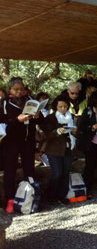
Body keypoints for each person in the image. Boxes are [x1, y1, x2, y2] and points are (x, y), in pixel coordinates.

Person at [0, 77, 43, 213]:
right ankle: (10, 200)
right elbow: (2, 123)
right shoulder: (4, 103)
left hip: (28, 141)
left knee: (29, 169)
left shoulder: (30, 100)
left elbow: (41, 120)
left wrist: (37, 116)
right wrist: (17, 120)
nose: (19, 92)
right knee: (10, 170)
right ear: (10, 90)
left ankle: (31, 197)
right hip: (11, 142)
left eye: (21, 89)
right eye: (16, 89)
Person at [41, 95, 77, 204]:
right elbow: (46, 136)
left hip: (68, 148)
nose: (63, 109)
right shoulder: (50, 118)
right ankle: (51, 196)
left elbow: (75, 131)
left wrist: (75, 131)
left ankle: (62, 196)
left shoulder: (71, 117)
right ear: (56, 106)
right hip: (54, 150)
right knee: (57, 173)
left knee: (65, 173)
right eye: (60, 106)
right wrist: (58, 131)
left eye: (65, 106)